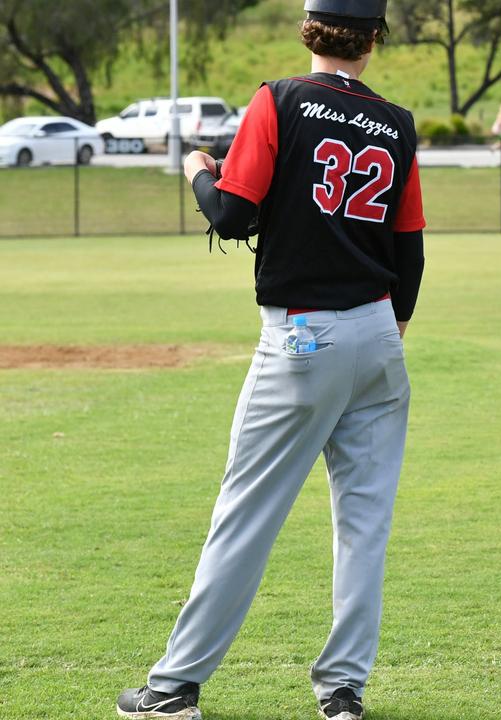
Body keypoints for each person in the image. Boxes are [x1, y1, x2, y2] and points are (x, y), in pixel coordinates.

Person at [115, 2, 425, 719]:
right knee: (364, 524)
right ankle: (343, 692)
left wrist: (198, 170)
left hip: (301, 335)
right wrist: (391, 326)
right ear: (373, 39)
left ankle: (174, 688)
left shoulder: (279, 99)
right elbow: (407, 248)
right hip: (378, 332)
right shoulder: (398, 123)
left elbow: (232, 215)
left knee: (246, 515)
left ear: (309, 28)